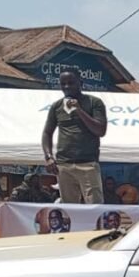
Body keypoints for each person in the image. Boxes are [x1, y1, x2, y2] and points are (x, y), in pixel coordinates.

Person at [42, 68, 108, 203]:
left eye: (71, 83)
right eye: (63, 83)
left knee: (94, 205)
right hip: (64, 165)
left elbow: (100, 131)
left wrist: (79, 110)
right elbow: (47, 133)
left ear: (80, 83)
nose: (67, 87)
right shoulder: (57, 106)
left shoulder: (93, 103)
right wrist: (48, 157)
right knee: (69, 208)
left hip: (88, 163)